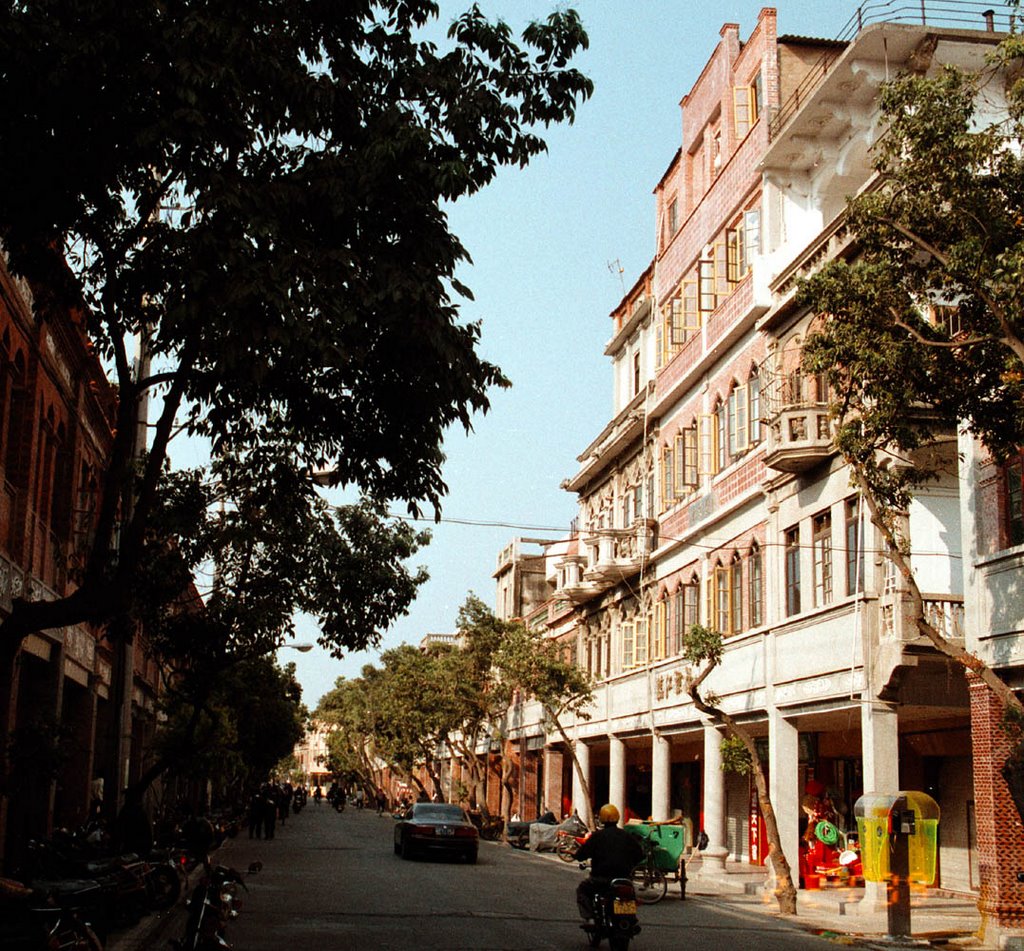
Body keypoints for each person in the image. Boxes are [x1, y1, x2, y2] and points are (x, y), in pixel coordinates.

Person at [575, 804, 643, 919]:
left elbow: (581, 854)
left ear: (602, 819)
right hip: (624, 879)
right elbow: (640, 855)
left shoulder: (597, 836)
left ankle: (589, 917)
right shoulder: (627, 836)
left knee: (583, 890)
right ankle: (630, 918)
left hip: (601, 879)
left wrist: (578, 856)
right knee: (629, 895)